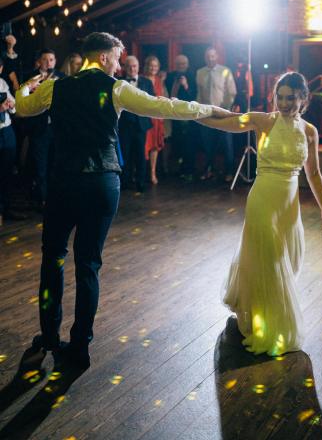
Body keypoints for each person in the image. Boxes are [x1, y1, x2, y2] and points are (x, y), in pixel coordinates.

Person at [15, 32, 233, 369]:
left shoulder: (55, 87)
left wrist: (25, 84)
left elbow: (23, 107)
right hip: (101, 184)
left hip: (63, 183)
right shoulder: (116, 89)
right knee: (88, 264)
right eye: (117, 58)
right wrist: (211, 110)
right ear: (103, 57)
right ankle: (80, 345)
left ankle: (48, 335)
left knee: (53, 259)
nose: (119, 66)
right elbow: (168, 107)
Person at [199, 71, 322, 356]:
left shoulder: (309, 132)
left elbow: (314, 173)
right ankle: (271, 325)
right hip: (262, 199)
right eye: (280, 97)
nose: (284, 103)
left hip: (289, 206)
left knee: (286, 261)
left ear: (303, 98)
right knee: (268, 262)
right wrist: (191, 113)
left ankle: (255, 308)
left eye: (291, 98)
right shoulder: (263, 120)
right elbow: (227, 123)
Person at [24, 48, 65, 208]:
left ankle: (56, 199)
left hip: (57, 129)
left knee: (56, 165)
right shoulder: (31, 77)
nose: (49, 62)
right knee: (40, 166)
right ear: (39, 61)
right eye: (46, 59)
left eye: (52, 59)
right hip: (39, 128)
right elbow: (23, 96)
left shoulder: (61, 78)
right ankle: (43, 200)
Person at [196, 47, 237, 182]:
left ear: (217, 57)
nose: (210, 58)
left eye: (213, 56)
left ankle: (229, 172)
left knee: (227, 144)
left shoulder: (225, 71)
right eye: (208, 56)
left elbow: (231, 92)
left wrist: (225, 109)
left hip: (222, 113)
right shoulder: (200, 72)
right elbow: (199, 95)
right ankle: (210, 170)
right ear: (204, 57)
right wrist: (199, 111)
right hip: (206, 114)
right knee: (208, 144)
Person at [118, 55, 154, 192]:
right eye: (129, 66)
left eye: (134, 66)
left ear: (138, 67)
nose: (132, 69)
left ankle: (141, 183)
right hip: (124, 124)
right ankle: (125, 182)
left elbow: (152, 101)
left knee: (140, 155)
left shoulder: (147, 82)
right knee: (125, 155)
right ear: (125, 68)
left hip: (141, 124)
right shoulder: (119, 82)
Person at [165, 54, 197, 179]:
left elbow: (194, 96)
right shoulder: (171, 76)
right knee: (177, 144)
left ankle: (189, 170)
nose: (181, 66)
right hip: (173, 115)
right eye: (178, 64)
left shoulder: (192, 76)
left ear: (187, 65)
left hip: (187, 116)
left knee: (189, 144)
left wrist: (186, 85)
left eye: (183, 64)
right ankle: (179, 169)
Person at [143, 55, 166, 185]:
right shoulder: (141, 79)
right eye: (151, 65)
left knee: (154, 147)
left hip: (156, 117)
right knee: (143, 145)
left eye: (156, 66)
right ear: (146, 66)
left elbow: (161, 97)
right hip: (144, 116)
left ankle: (152, 173)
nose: (153, 68)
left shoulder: (159, 80)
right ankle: (140, 172)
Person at [0, 57, 17, 227]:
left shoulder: (3, 83)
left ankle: (6, 208)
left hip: (7, 130)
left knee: (7, 171)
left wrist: (11, 104)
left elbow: (15, 106)